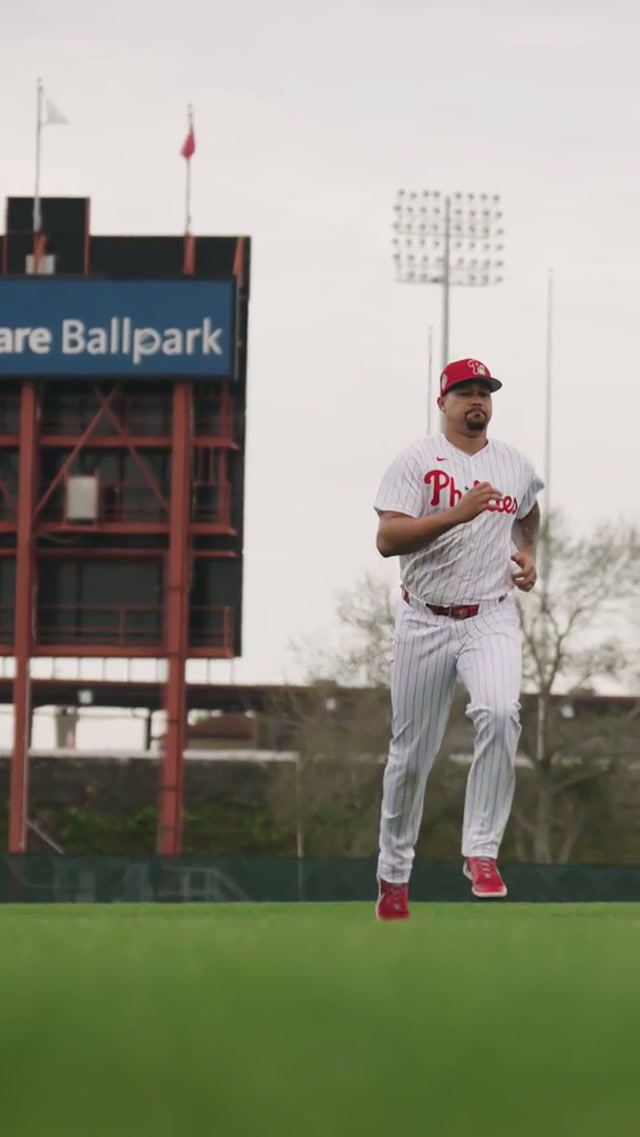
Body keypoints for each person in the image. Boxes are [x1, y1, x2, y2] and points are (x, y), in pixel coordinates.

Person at [373, 358, 543, 919]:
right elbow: (388, 538)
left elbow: (529, 509)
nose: (478, 402)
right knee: (412, 755)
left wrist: (528, 552)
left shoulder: (513, 464)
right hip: (424, 618)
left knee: (499, 713)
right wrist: (458, 514)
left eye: (485, 393)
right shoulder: (416, 459)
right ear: (442, 402)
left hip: (489, 615)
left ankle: (481, 852)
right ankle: (394, 874)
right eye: (466, 392)